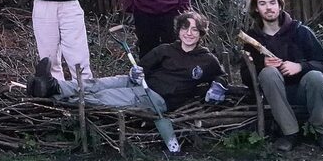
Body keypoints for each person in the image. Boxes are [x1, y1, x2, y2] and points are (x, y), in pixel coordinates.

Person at [28, 11, 227, 114]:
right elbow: (141, 67)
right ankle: (54, 86)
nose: (189, 33)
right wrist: (135, 73)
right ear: (179, 30)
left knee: (104, 96)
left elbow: (222, 76)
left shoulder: (206, 59)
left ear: (201, 33)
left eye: (194, 30)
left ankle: (53, 98)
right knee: (96, 84)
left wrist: (218, 86)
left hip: (155, 98)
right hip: (138, 82)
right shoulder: (166, 49)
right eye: (185, 28)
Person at [243, 0, 323, 151]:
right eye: (262, 4)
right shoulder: (251, 39)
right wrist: (260, 65)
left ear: (280, 6)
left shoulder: (301, 32)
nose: (268, 7)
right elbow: (246, 78)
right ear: (256, 9)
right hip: (275, 95)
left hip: (305, 92)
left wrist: (300, 66)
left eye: (272, 3)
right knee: (268, 73)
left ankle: (322, 132)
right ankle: (289, 134)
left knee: (316, 76)